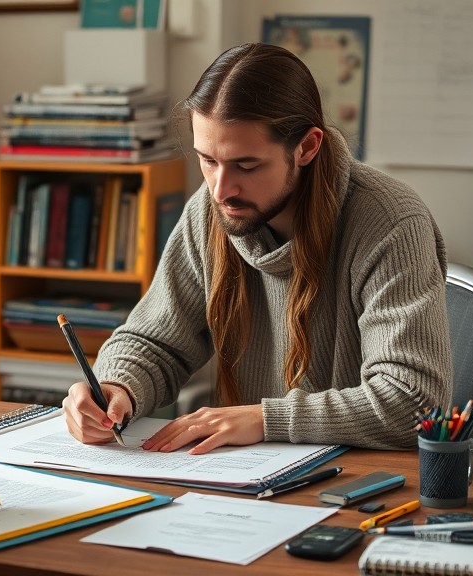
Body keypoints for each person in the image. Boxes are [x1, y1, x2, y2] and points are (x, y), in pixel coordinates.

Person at [63, 42, 452, 453]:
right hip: (244, 476)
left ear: (307, 147)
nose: (220, 189)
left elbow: (414, 401)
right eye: (208, 160)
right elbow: (156, 341)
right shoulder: (210, 211)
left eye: (246, 165)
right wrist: (115, 386)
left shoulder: (391, 223)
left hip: (360, 478)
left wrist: (267, 419)